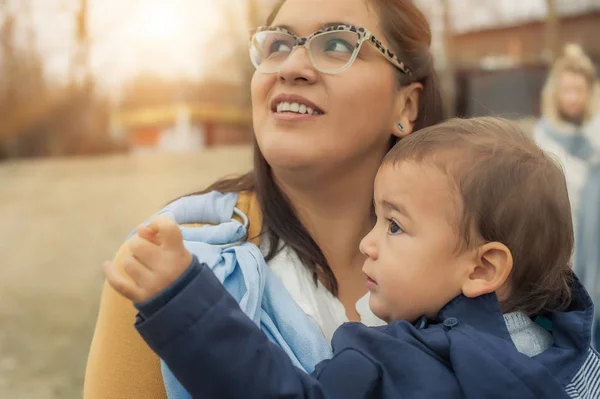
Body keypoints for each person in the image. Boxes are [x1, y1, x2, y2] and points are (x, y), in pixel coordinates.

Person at [83, 0, 444, 397]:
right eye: (278, 46)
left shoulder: (473, 264)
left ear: (406, 105)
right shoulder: (165, 267)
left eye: (338, 45)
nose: (291, 67)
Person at [106, 117, 600, 399]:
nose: (369, 242)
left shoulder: (397, 364)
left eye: (395, 225)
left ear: (482, 269)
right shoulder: (575, 356)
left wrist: (184, 301)